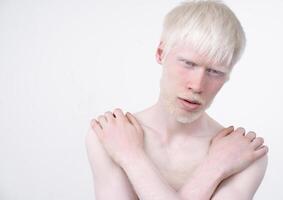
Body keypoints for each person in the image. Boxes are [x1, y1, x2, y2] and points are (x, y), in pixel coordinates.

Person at [86, 1, 269, 199]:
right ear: (160, 53)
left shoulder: (243, 154)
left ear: (228, 75)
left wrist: (131, 158)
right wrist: (213, 171)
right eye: (188, 64)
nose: (197, 85)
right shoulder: (109, 135)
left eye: (215, 72)